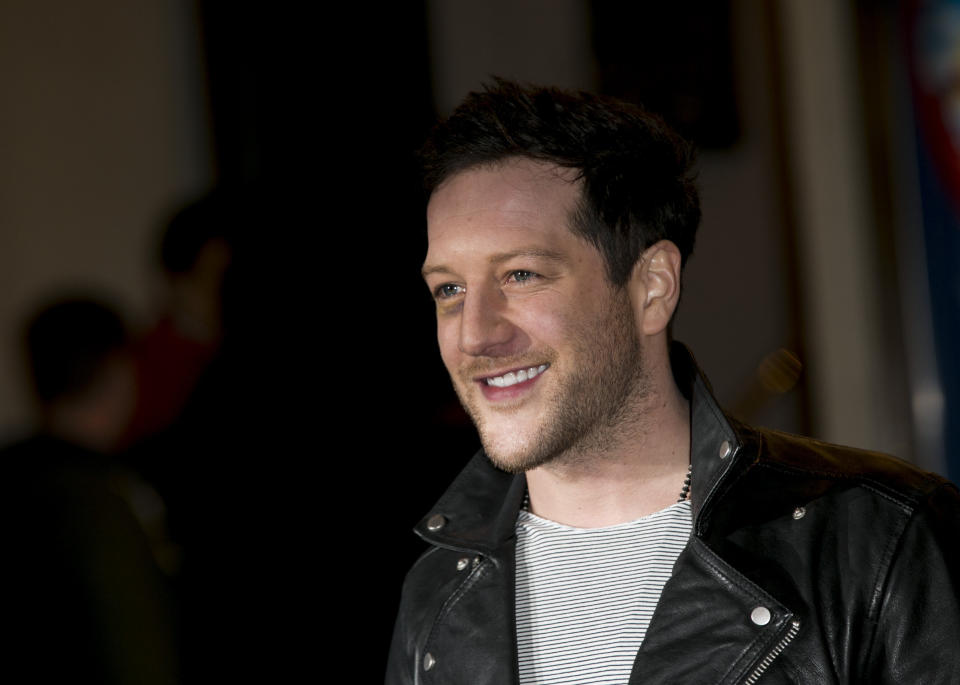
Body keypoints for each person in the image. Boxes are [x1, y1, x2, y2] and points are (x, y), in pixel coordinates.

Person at [386, 80, 960, 684]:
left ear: (652, 286)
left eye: (522, 274)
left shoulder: (882, 544)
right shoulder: (437, 593)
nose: (475, 334)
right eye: (449, 289)